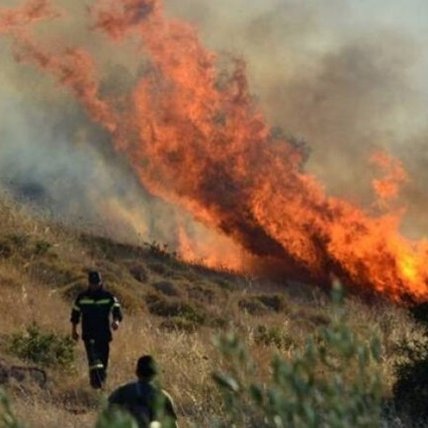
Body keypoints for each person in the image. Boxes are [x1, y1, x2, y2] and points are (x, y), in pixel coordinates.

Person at [70, 270, 123, 389]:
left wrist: (116, 321)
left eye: (97, 283)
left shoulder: (108, 296)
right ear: (89, 283)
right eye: (93, 283)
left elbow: (117, 310)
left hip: (104, 334)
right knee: (94, 361)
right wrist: (74, 330)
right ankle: (96, 386)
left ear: (101, 282)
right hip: (89, 334)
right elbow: (75, 314)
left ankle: (101, 384)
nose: (95, 286)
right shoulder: (82, 297)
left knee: (103, 362)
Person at [108, 355, 178, 428]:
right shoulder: (162, 396)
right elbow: (173, 425)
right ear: (154, 374)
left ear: (137, 372)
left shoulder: (122, 391)